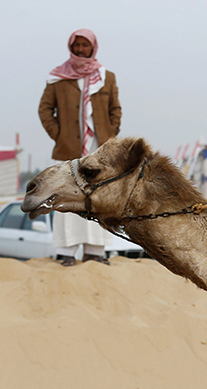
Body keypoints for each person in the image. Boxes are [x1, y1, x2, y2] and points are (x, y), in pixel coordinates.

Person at [38, 28, 121, 266]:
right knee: (66, 197)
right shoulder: (58, 78)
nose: (80, 49)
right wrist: (59, 135)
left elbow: (115, 109)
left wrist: (110, 134)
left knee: (100, 197)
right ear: (71, 47)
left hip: (100, 150)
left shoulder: (107, 77)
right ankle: (67, 252)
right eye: (77, 45)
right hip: (69, 150)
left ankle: (95, 251)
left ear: (93, 47)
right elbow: (45, 110)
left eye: (85, 45)